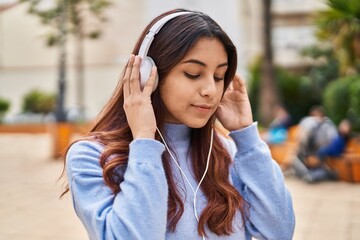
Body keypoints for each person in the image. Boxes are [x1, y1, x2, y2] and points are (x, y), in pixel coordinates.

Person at [60, 9, 295, 240]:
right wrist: (144, 141)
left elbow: (279, 232)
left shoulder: (228, 152)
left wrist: (247, 138)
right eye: (193, 74)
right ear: (147, 74)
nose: (210, 91)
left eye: (218, 77)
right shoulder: (92, 157)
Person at [291, 105, 338, 183]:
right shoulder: (309, 124)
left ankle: (315, 175)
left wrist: (318, 155)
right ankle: (312, 175)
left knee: (297, 161)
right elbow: (302, 141)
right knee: (294, 159)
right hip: (310, 154)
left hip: (321, 155)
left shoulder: (328, 126)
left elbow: (331, 143)